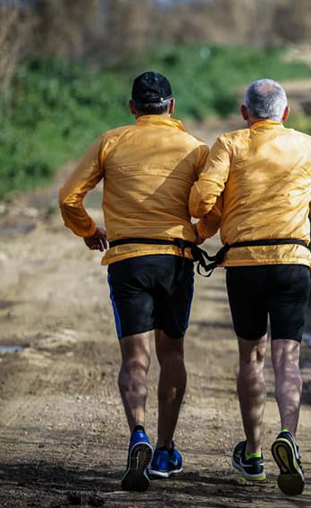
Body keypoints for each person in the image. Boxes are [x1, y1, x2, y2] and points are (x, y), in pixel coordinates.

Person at [58, 71, 219, 492]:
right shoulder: (194, 148)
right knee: (172, 353)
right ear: (172, 105)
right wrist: (198, 233)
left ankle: (139, 435)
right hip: (175, 260)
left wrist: (90, 230)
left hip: (128, 260)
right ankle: (165, 449)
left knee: (135, 359)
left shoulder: (111, 141)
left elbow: (68, 197)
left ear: (132, 108)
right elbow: (216, 202)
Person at [189, 79, 311, 495]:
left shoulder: (229, 143)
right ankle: (289, 438)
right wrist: (307, 206)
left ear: (246, 113)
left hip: (244, 264)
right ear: (285, 114)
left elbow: (202, 201)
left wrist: (208, 217)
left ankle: (255, 455)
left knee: (251, 358)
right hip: (292, 261)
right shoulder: (308, 145)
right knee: (287, 359)